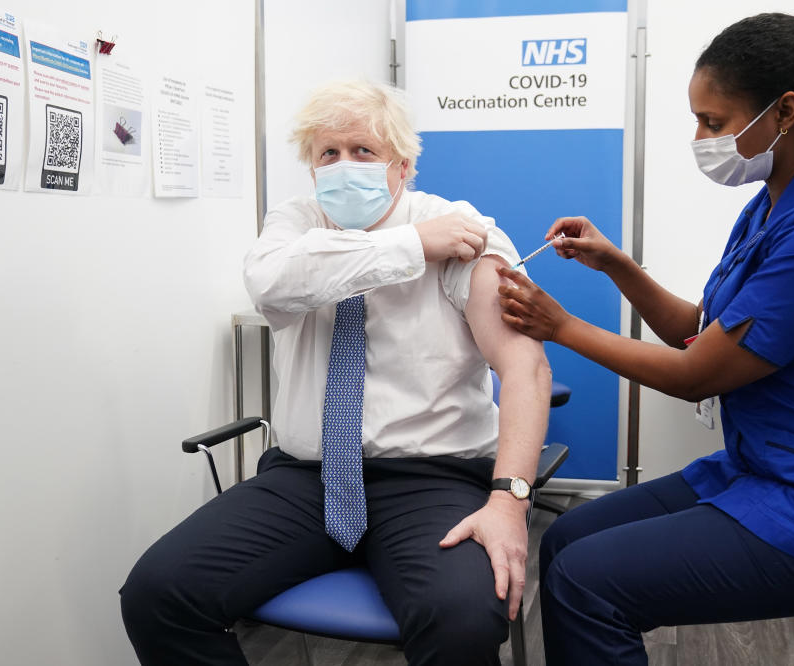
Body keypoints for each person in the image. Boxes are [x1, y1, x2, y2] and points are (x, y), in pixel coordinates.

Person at [495, 13, 794, 666]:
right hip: (761, 466)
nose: (700, 138)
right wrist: (615, 263)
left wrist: (558, 326)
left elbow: (697, 373)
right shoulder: (771, 206)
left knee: (586, 582)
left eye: (713, 121)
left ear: (785, 111)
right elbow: (697, 330)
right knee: (567, 541)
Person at [120, 80, 551, 666]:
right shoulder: (299, 223)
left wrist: (508, 500)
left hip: (432, 477)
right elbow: (272, 284)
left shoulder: (461, 227)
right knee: (158, 594)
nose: (344, 165)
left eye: (363, 151)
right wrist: (411, 246)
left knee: (462, 618)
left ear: (403, 165)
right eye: (329, 153)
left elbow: (524, 366)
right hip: (306, 477)